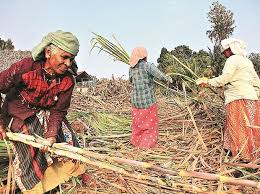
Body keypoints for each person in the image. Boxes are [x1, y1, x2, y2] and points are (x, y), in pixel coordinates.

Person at [0, 30, 85, 193]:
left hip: (45, 113)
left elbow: (59, 110)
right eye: (64, 57)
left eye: (71, 59)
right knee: (30, 144)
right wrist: (1, 122)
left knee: (67, 137)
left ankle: (64, 174)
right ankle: (32, 187)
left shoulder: (67, 80)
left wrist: (52, 133)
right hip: (17, 114)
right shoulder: (25, 68)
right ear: (48, 52)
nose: (68, 63)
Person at [196, 38, 260, 161]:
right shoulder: (247, 62)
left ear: (230, 49)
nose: (224, 54)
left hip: (237, 100)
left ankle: (243, 157)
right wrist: (254, 95)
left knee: (238, 128)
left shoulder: (232, 59)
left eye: (225, 51)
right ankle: (254, 154)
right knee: (251, 128)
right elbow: (257, 82)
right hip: (251, 99)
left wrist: (207, 81)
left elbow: (224, 78)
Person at [129, 47, 173, 148]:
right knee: (149, 124)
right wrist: (168, 79)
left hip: (136, 102)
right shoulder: (148, 66)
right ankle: (146, 144)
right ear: (144, 56)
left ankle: (137, 142)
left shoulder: (131, 69)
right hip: (148, 101)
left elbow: (131, 81)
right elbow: (160, 75)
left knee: (138, 124)